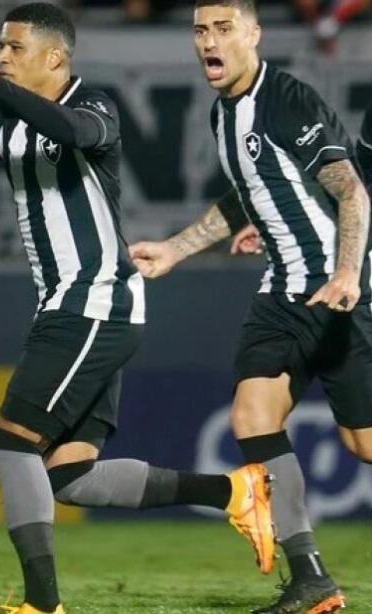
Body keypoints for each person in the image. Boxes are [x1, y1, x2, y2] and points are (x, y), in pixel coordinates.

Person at [0, 4, 275, 613]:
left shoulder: (94, 106)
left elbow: (74, 133)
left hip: (94, 303)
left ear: (54, 57)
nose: (1, 57)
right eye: (0, 47)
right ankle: (233, 492)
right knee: (68, 476)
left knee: (10, 444)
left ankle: (42, 605)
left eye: (14, 48)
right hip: (74, 307)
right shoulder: (4, 122)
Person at [129, 0, 372, 612]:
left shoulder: (286, 100)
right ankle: (312, 578)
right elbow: (249, 190)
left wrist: (348, 272)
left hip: (336, 289)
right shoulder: (223, 113)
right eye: (200, 31)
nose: (209, 41)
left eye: (224, 29)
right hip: (285, 292)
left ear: (254, 35)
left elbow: (351, 190)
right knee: (252, 415)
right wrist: (176, 249)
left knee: (364, 443)